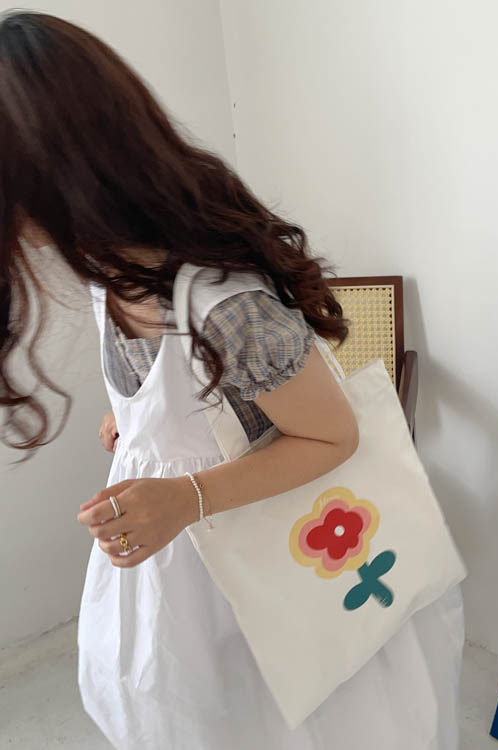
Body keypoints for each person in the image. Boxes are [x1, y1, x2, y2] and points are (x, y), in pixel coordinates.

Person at [0, 10, 466, 750]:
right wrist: (136, 419)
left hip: (261, 550)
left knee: (279, 709)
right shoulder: (105, 273)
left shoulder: (226, 306)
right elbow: (183, 393)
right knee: (186, 705)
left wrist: (184, 493)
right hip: (176, 562)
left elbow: (331, 434)